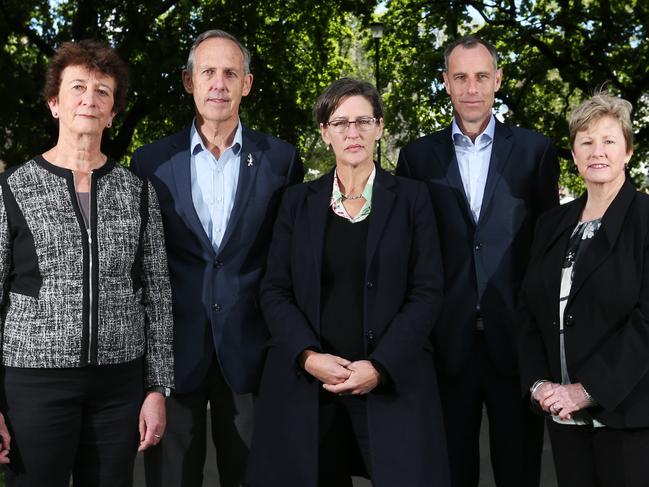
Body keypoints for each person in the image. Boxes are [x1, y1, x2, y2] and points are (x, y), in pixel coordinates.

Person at [246, 78, 449, 487]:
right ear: (324, 132)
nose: (352, 132)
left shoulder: (413, 199)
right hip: (309, 387)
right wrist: (307, 356)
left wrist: (381, 365)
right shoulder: (295, 201)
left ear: (379, 127)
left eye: (363, 121)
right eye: (340, 122)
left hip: (390, 382)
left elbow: (427, 291)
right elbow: (274, 289)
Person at [131, 29, 303, 487]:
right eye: (208, 72)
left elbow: (288, 263)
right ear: (189, 82)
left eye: (231, 73)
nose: (219, 84)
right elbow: (142, 268)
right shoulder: (150, 163)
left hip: (252, 354)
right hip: (174, 354)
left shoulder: (282, 160)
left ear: (246, 84)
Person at [0, 40, 174, 487]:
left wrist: (156, 388)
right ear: (55, 103)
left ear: (113, 112)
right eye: (78, 87)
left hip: (118, 387)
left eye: (103, 92)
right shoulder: (12, 188)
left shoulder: (137, 192)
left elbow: (157, 293)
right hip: (33, 382)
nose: (89, 100)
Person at [396, 36, 559, 487]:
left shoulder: (534, 152)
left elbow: (545, 252)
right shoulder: (416, 158)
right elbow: (410, 255)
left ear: (498, 81)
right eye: (461, 77)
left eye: (482, 76)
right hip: (445, 347)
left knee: (519, 470)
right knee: (449, 472)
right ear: (446, 83)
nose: (472, 87)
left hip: (516, 347)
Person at [518, 93, 649, 487]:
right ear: (573, 155)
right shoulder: (552, 223)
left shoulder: (645, 219)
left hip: (629, 416)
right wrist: (539, 383)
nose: (597, 151)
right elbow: (528, 310)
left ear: (627, 151)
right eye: (586, 141)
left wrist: (588, 390)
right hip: (563, 417)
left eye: (609, 141)